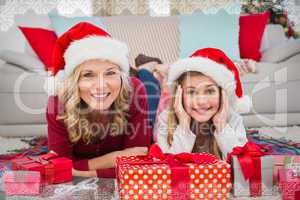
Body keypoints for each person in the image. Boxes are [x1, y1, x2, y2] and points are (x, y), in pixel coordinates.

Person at [46, 22, 151, 178]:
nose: (101, 86)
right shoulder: (57, 102)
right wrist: (117, 159)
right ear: (73, 81)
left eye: (110, 73)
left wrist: (82, 169)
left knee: (149, 78)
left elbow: (139, 158)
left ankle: (151, 66)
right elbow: (59, 166)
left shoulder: (134, 89)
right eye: (88, 75)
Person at [155, 48, 250, 159]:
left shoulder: (233, 119)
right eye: (191, 92)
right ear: (179, 94)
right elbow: (167, 169)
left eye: (210, 91)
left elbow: (241, 166)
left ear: (223, 94)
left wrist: (221, 126)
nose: (201, 101)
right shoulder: (166, 119)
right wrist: (184, 126)